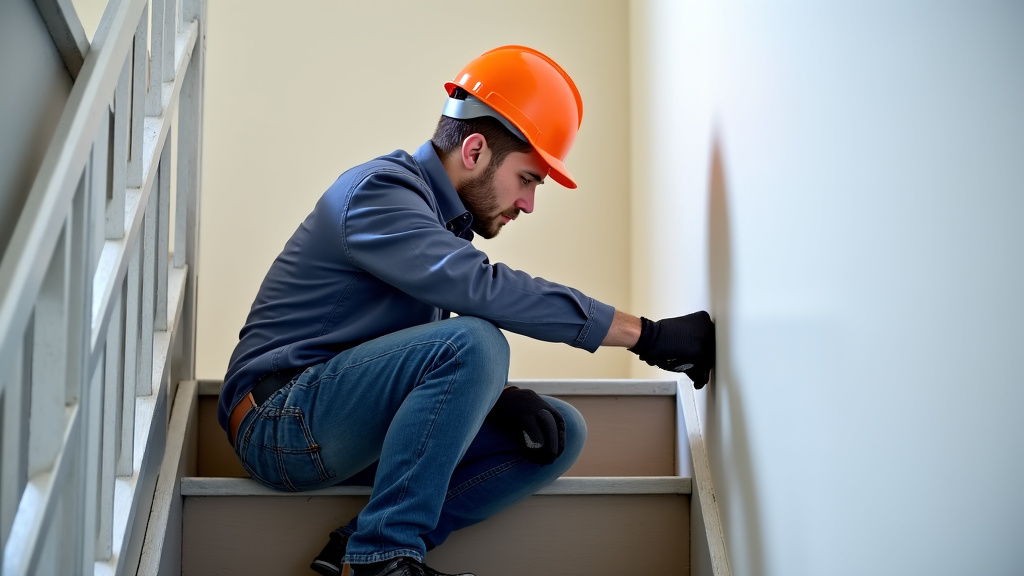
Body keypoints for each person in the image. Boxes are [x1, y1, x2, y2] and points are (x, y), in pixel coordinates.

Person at [219, 45, 716, 576]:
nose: (528, 204)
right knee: (478, 339)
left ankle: (355, 546)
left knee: (558, 431)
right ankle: (383, 557)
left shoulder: (437, 227)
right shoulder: (380, 192)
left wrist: (496, 399)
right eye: (528, 179)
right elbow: (485, 291)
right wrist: (648, 335)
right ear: (475, 149)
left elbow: (403, 359)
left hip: (346, 426)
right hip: (281, 424)